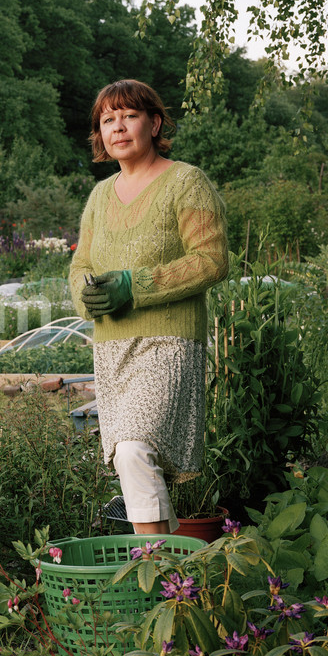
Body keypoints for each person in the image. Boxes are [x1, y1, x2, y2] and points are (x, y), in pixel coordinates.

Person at [69, 80, 228, 534]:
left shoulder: (186, 182)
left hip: (168, 342)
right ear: (100, 134)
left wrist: (134, 285)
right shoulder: (100, 196)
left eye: (129, 116)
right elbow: (81, 264)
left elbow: (212, 259)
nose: (118, 127)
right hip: (111, 349)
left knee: (134, 450)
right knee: (128, 458)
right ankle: (174, 565)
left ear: (154, 124)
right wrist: (85, 293)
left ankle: (155, 566)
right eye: (108, 119)